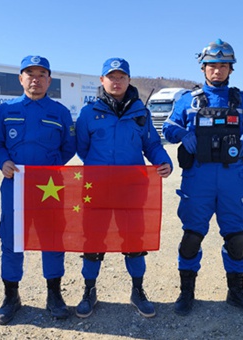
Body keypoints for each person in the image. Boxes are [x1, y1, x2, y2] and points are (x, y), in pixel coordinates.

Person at [162, 39, 243, 317]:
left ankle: (236, 292)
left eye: (223, 66)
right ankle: (186, 293)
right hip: (198, 178)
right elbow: (169, 126)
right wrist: (183, 135)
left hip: (233, 177)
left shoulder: (240, 99)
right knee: (192, 236)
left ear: (231, 69)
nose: (217, 71)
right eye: (212, 66)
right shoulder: (187, 100)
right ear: (203, 68)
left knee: (236, 238)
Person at [74, 57, 173, 318]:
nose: (116, 81)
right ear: (102, 80)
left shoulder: (141, 113)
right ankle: (89, 290)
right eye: (111, 77)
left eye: (121, 77)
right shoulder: (88, 113)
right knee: (93, 239)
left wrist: (163, 161)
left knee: (134, 240)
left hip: (132, 188)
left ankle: (138, 290)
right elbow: (83, 148)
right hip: (96, 189)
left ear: (129, 80)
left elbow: (151, 145)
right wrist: (103, 170)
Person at [0, 55, 77, 324]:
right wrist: (2, 161)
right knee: (12, 240)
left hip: (49, 187)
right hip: (14, 186)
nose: (36, 79)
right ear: (21, 78)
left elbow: (69, 146)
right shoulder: (6, 110)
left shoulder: (60, 112)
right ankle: (11, 296)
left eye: (42, 74)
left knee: (52, 239)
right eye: (30, 74)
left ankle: (54, 295)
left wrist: (52, 167)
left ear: (49, 80)